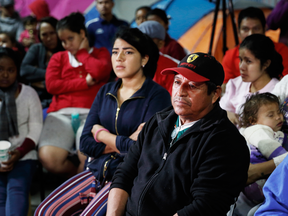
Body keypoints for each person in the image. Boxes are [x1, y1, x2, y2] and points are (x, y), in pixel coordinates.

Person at [34, 26, 171, 216]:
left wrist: (102, 134)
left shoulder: (158, 97)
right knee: (45, 211)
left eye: (128, 52)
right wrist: (121, 141)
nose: (119, 58)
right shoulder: (105, 91)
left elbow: (142, 149)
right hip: (96, 171)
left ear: (144, 59)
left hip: (128, 178)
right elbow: (85, 144)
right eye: (115, 52)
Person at [107, 52, 250, 216]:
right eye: (177, 82)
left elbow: (205, 206)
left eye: (193, 86)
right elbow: (125, 173)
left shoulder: (226, 142)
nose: (180, 92)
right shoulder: (158, 121)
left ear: (215, 94)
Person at [37, 12, 112, 177]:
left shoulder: (100, 54)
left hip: (92, 115)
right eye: (63, 41)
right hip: (60, 114)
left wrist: (83, 54)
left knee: (88, 159)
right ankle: (75, 185)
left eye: (70, 39)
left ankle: (79, 193)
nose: (66, 45)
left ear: (82, 34)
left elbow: (100, 72)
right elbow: (51, 86)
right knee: (48, 158)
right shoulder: (58, 58)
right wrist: (84, 83)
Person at [0, 47, 43, 216]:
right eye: (0, 69)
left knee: (17, 188)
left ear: (17, 70)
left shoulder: (29, 93)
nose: (5, 75)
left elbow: (36, 128)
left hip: (23, 155)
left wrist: (18, 153)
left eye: (10, 70)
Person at [220, 34, 283, 127]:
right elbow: (219, 110)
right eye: (240, 60)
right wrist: (227, 114)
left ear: (266, 63)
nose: (241, 67)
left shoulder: (277, 91)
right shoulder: (236, 84)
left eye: (248, 61)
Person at [239, 93, 288, 204]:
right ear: (253, 121)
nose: (278, 117)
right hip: (258, 184)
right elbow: (277, 154)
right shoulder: (257, 130)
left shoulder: (272, 131)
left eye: (279, 112)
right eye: (271, 115)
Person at [222, 7, 288, 86]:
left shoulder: (281, 50)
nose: (251, 33)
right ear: (238, 32)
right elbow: (226, 86)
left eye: (256, 28)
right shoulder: (230, 56)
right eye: (245, 29)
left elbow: (285, 82)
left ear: (264, 29)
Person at [20, 16, 63, 115]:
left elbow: (65, 78)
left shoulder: (65, 50)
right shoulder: (36, 49)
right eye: (44, 34)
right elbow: (24, 70)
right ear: (39, 36)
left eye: (52, 33)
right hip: (36, 99)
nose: (48, 38)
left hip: (58, 100)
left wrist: (41, 81)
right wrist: (51, 75)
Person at [138, 20, 179, 95]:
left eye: (147, 41)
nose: (142, 44)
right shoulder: (133, 63)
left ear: (160, 44)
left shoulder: (170, 68)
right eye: (139, 40)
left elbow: (174, 100)